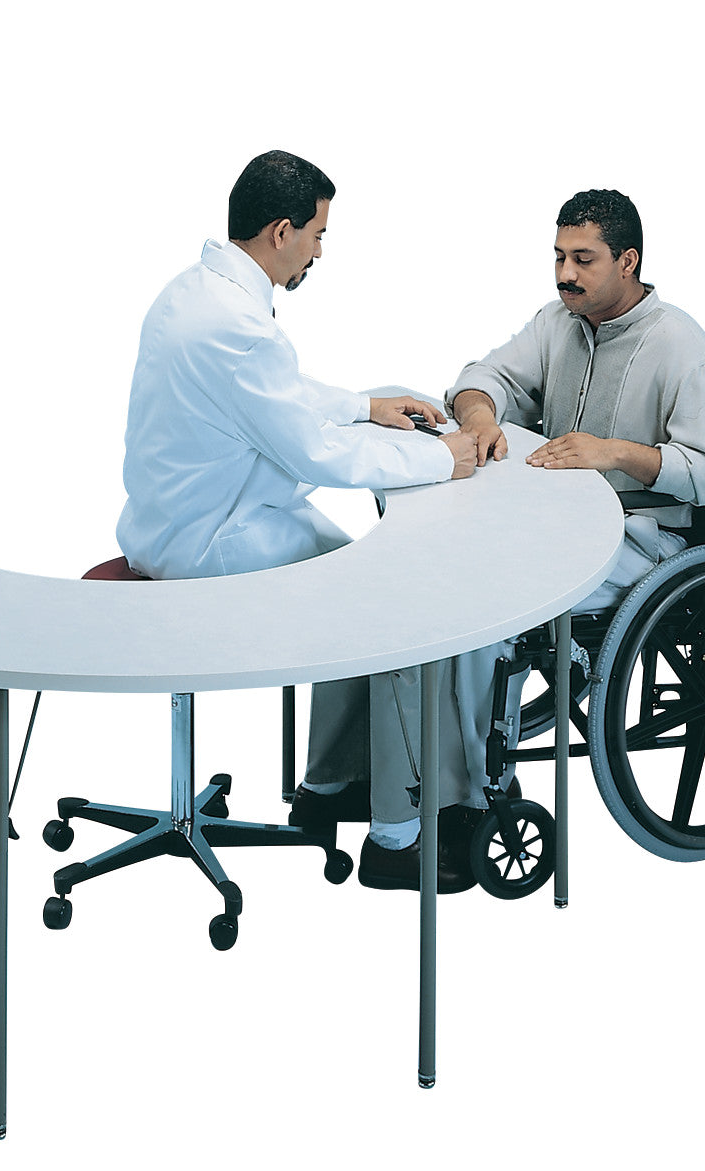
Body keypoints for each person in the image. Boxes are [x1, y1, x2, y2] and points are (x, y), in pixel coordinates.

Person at [357, 188, 705, 893]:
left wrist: (616, 452)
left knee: (478, 611)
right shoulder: (558, 324)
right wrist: (477, 419)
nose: (564, 272)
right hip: (554, 523)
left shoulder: (684, 349)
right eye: (558, 256)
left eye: (582, 258)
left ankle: (463, 801)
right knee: (430, 584)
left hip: (643, 541)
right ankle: (416, 791)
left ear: (627, 261)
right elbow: (482, 376)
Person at [116, 150, 477, 839]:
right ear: (281, 232)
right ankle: (400, 834)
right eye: (317, 235)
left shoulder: (193, 293)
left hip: (172, 520)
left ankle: (329, 784)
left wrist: (365, 404)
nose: (318, 252)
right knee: (394, 602)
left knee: (351, 571)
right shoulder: (238, 328)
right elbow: (315, 451)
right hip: (211, 542)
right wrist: (440, 456)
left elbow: (270, 398)